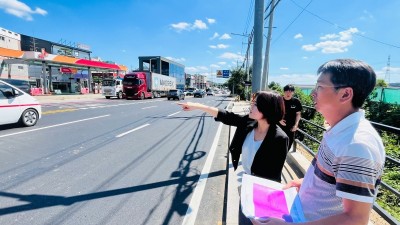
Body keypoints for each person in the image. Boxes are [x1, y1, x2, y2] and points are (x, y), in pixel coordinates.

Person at [251, 59, 386, 225]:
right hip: (300, 212)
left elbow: (356, 219)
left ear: (345, 94)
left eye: (320, 87)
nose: (313, 93)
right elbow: (332, 179)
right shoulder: (341, 131)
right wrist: (305, 183)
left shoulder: (357, 145)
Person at [178, 91, 289, 182]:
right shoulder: (249, 123)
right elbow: (227, 116)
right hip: (246, 178)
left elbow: (274, 175)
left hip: (261, 187)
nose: (251, 105)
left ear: (267, 108)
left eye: (255, 104)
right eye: (252, 102)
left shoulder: (279, 139)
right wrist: (198, 106)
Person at [279, 84, 302, 150]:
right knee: (278, 144)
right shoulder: (279, 100)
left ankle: (283, 157)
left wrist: (296, 125)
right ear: (284, 92)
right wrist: (279, 120)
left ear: (293, 92)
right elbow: (273, 112)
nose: (288, 93)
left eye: (290, 91)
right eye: (286, 91)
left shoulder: (296, 101)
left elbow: (298, 114)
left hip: (291, 127)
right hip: (279, 126)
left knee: (288, 145)